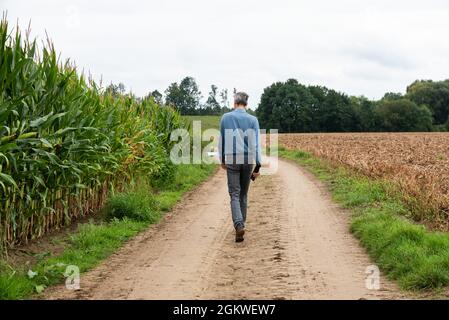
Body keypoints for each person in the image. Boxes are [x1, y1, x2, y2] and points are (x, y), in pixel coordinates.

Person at [218, 92, 262, 242]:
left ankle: (238, 225)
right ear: (246, 104)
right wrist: (258, 166)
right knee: (243, 194)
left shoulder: (226, 118)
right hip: (249, 159)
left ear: (235, 103)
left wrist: (222, 159)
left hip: (231, 158)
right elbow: (256, 144)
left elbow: (221, 140)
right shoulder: (253, 120)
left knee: (234, 194)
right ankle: (241, 224)